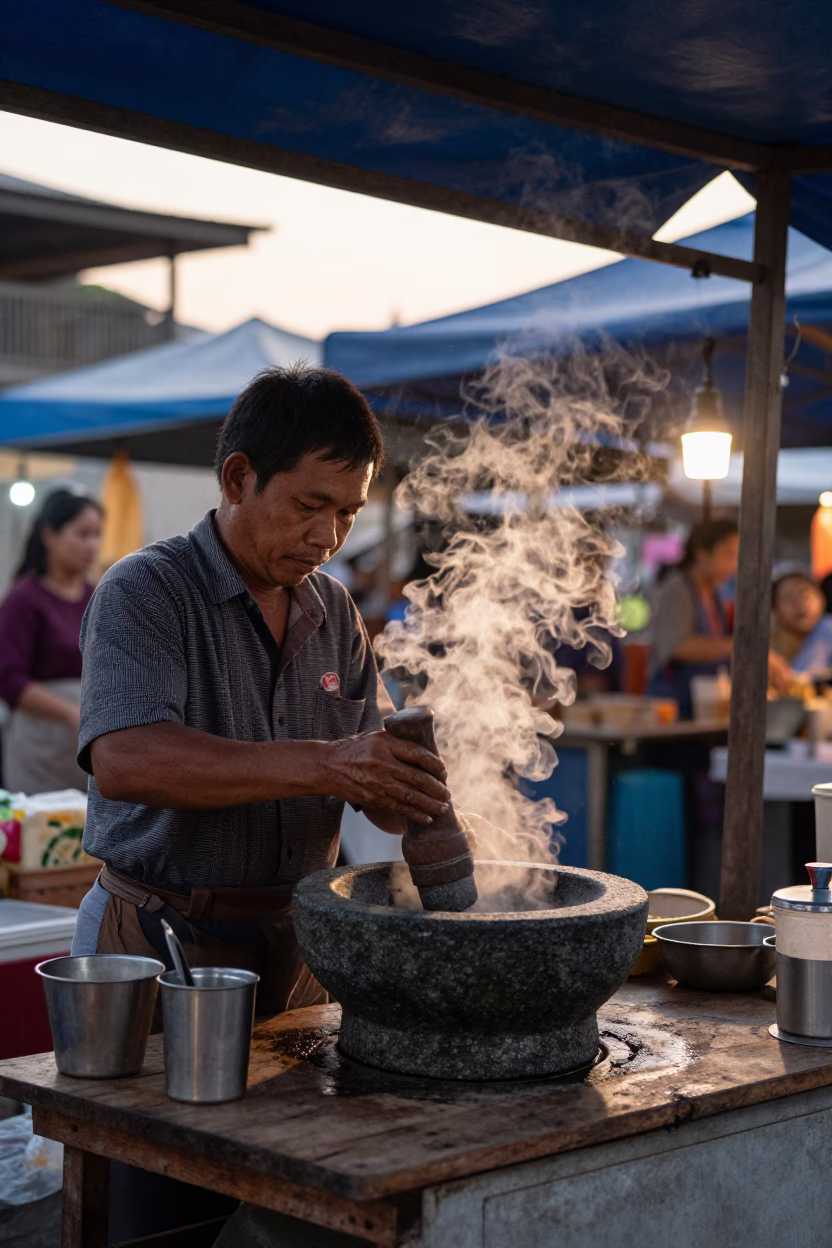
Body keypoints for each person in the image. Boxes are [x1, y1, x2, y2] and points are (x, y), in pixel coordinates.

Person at [71, 364, 451, 1017]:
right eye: (309, 506)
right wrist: (329, 764)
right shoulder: (146, 590)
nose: (328, 538)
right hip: (157, 938)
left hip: (300, 946)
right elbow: (126, 761)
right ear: (238, 479)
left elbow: (378, 787)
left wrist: (413, 792)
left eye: (348, 513)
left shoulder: (335, 611)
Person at [0, 489, 102, 793]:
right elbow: (9, 679)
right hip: (39, 742)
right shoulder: (24, 599)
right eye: (82, 534)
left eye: (97, 535)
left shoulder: (98, 596)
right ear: (49, 535)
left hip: (90, 742)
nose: (92, 545)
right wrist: (69, 711)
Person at [648, 518, 792, 719]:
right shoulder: (677, 589)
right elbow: (677, 646)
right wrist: (739, 647)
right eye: (728, 554)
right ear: (701, 553)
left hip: (704, 705)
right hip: (673, 707)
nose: (734, 564)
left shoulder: (713, 594)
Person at [771, 567, 832, 679]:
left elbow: (804, 676)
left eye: (804, 595)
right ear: (776, 611)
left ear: (821, 599)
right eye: (788, 598)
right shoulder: (773, 644)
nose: (798, 604)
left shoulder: (826, 629)